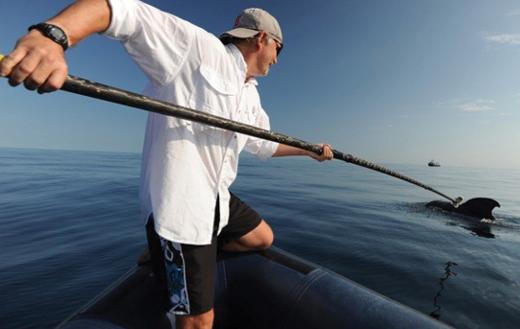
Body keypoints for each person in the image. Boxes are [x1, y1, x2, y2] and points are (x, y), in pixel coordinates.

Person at [0, 1, 333, 328]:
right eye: (279, 48)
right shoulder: (198, 50)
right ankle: (163, 250)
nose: (277, 58)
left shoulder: (251, 94)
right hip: (182, 209)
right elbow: (118, 9)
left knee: (262, 237)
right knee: (200, 321)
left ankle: (160, 256)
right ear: (262, 39)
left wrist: (310, 151)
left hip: (216, 199)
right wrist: (51, 36)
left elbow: (265, 144)